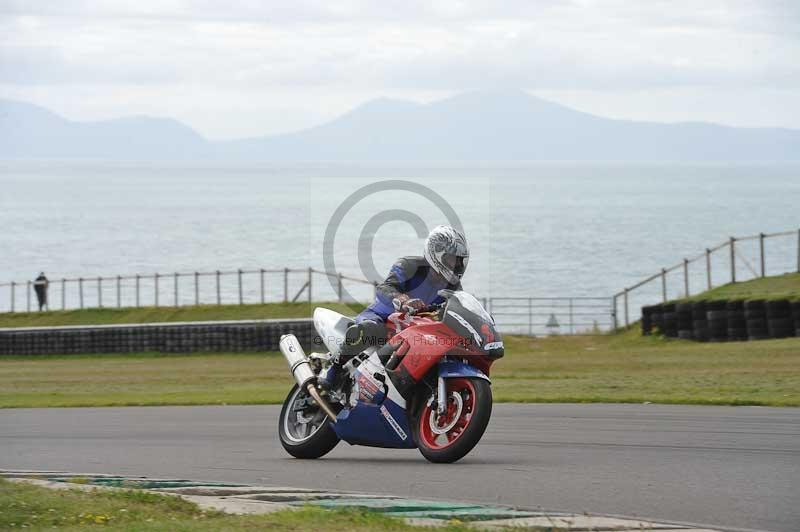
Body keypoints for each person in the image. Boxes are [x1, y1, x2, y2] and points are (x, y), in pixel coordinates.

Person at [319, 225, 469, 388]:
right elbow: (385, 288)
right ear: (437, 253)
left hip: (414, 330)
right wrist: (401, 299)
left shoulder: (453, 287)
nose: (456, 265)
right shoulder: (409, 266)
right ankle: (333, 369)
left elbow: (458, 308)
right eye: (452, 259)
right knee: (367, 329)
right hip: (383, 318)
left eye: (459, 261)